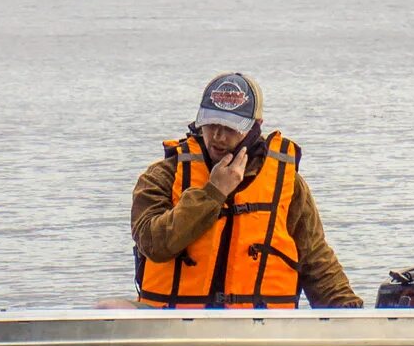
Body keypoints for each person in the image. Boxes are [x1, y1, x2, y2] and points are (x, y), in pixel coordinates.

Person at [133, 71, 361, 309]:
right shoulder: (163, 175)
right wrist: (213, 193)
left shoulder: (287, 183)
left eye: (231, 127)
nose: (218, 137)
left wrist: (350, 315)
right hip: (175, 323)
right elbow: (153, 245)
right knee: (108, 308)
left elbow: (316, 261)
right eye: (211, 124)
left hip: (257, 327)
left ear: (255, 127)